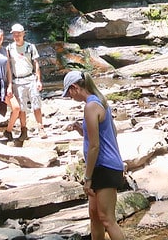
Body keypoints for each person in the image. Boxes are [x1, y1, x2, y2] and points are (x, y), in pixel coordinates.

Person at [62, 70, 127, 240]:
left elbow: (94, 146)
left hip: (104, 167)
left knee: (107, 219)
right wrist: (81, 129)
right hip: (104, 166)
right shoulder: (100, 102)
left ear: (75, 87)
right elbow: (109, 134)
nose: (70, 98)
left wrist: (87, 178)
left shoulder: (91, 106)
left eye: (69, 93)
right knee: (95, 216)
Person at [6, 23, 47, 139]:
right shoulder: (9, 48)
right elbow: (8, 68)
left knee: (36, 104)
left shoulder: (30, 47)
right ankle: (23, 130)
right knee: (22, 108)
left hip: (31, 79)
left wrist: (39, 80)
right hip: (18, 81)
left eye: (18, 34)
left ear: (23, 34)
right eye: (14, 34)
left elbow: (36, 64)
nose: (16, 36)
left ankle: (41, 128)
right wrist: (9, 85)